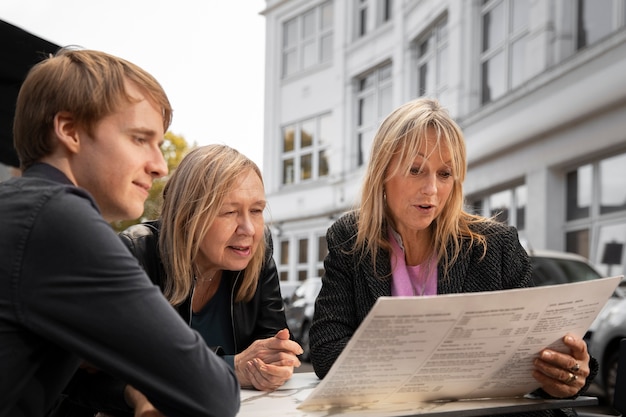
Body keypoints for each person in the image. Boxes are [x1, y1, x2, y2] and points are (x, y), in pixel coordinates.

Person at [309, 98, 598, 412]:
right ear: (382, 172)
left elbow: (539, 352)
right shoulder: (350, 238)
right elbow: (327, 350)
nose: (431, 189)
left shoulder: (494, 244)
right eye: (415, 170)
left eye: (444, 174)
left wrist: (566, 375)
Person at [0, 48, 239, 417]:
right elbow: (214, 394)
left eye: (159, 145)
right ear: (69, 130)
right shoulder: (58, 219)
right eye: (140, 139)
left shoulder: (21, 208)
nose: (160, 166)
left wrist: (128, 386)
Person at [60, 144, 303, 415]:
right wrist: (230, 367)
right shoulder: (136, 251)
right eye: (229, 212)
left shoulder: (257, 251)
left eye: (257, 211)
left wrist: (274, 363)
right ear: (189, 216)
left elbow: (271, 341)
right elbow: (90, 370)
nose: (248, 229)